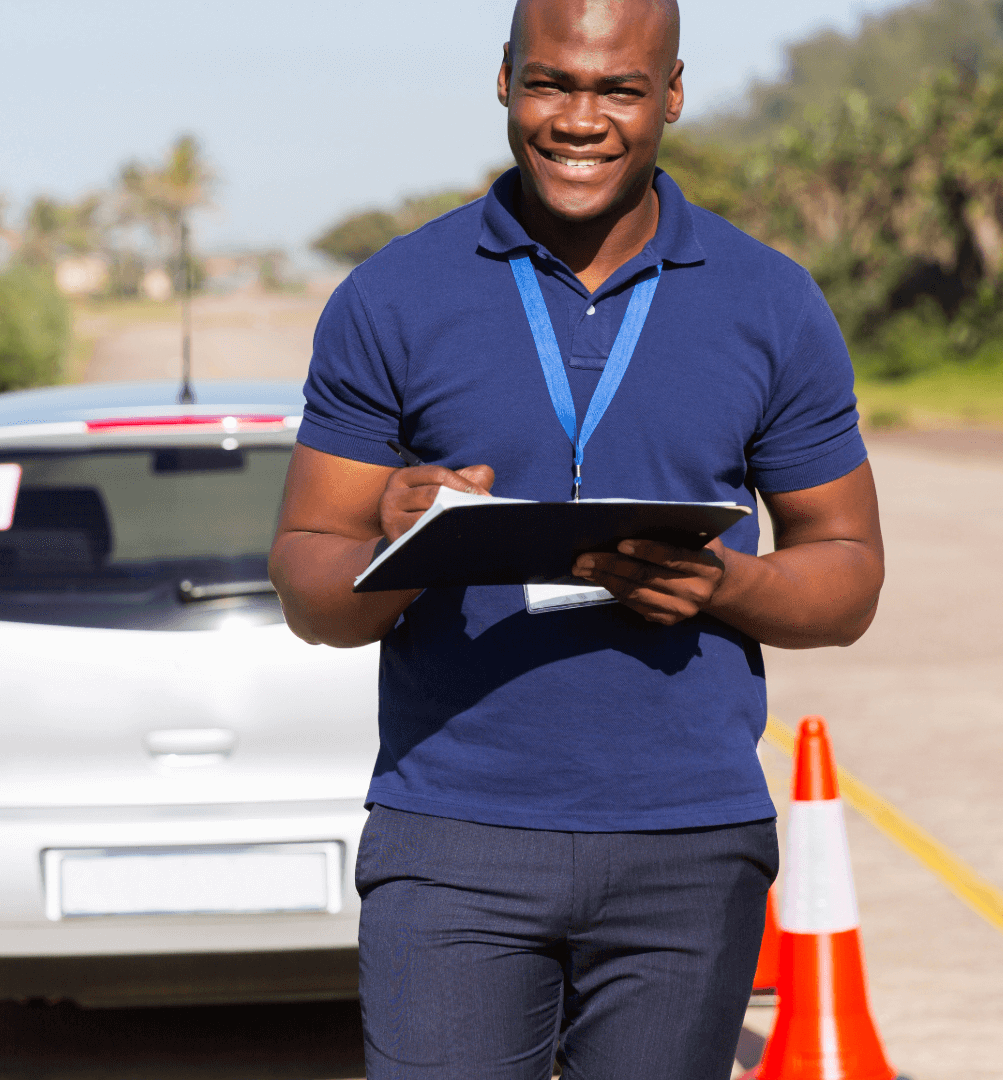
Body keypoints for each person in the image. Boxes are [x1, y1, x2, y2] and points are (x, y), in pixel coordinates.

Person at [268, 0, 886, 1075]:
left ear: (673, 94)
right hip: (452, 839)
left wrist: (717, 585)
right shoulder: (392, 297)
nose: (580, 120)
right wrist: (399, 537)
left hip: (688, 844)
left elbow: (847, 577)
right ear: (504, 79)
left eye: (619, 90)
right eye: (553, 83)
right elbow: (311, 594)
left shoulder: (771, 304)